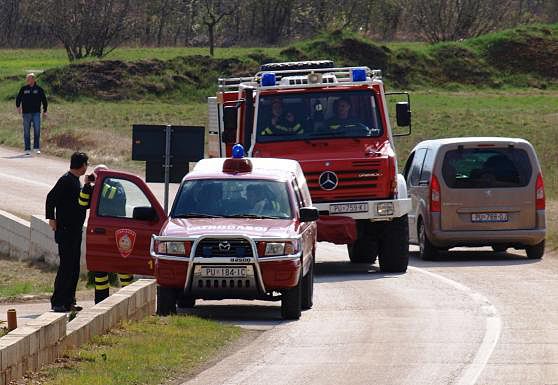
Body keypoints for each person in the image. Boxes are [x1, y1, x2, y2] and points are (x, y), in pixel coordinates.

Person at [79, 164, 134, 304]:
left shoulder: (117, 186)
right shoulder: (96, 189)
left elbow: (114, 196)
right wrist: (86, 186)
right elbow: (83, 203)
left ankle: (129, 300)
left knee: (123, 266)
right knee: (100, 268)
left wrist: (98, 182)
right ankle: (101, 301)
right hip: (101, 233)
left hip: (118, 232)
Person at [46, 152, 90, 312]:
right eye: (87, 164)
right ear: (83, 165)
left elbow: (82, 203)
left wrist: (88, 186)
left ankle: (69, 301)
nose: (87, 167)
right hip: (65, 231)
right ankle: (58, 301)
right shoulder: (65, 180)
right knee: (66, 267)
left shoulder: (77, 182)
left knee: (74, 267)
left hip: (75, 231)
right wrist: (51, 218)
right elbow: (51, 198)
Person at [16, 73, 48, 155]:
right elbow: (18, 97)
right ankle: (27, 149)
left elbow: (44, 99)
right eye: (27, 79)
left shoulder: (39, 89)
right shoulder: (23, 89)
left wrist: (45, 110)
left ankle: (36, 148)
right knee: (26, 131)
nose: (28, 80)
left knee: (37, 130)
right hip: (26, 113)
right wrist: (18, 106)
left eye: (29, 79)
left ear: (34, 79)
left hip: (36, 113)